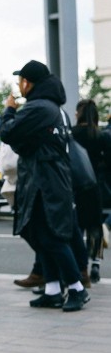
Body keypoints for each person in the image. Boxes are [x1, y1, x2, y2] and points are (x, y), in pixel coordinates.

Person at [0, 60, 89, 312]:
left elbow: (9, 133)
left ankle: (76, 289)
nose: (19, 86)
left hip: (45, 183)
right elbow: (27, 143)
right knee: (43, 235)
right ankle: (51, 289)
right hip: (50, 180)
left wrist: (8, 110)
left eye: (20, 81)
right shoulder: (54, 108)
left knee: (52, 237)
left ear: (28, 83)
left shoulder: (38, 108)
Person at [71, 98, 109, 283]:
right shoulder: (101, 136)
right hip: (96, 188)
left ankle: (81, 265)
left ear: (79, 114)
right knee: (95, 228)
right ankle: (95, 263)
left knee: (77, 226)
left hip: (75, 187)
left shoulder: (72, 134)